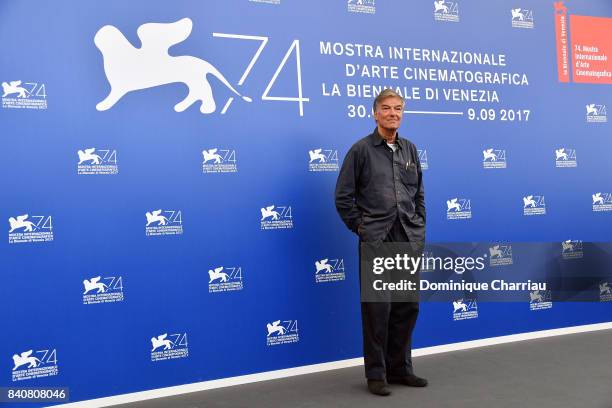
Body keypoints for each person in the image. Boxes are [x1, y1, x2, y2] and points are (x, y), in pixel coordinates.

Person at [335, 89, 427, 396]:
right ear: (375, 114)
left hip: (406, 238)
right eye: (386, 109)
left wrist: (419, 228)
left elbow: (419, 196)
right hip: (377, 240)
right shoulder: (360, 151)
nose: (392, 113)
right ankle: (376, 374)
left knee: (406, 307)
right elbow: (343, 197)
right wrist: (363, 229)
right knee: (377, 310)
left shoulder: (410, 150)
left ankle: (401, 369)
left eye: (398, 109)